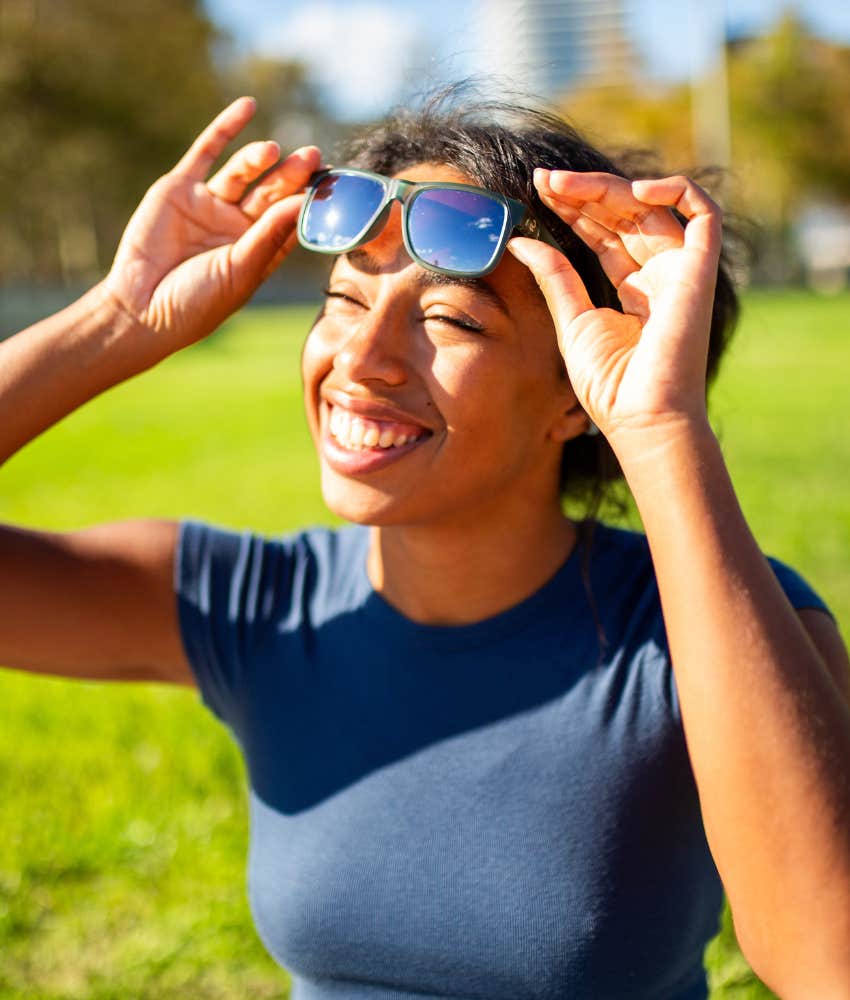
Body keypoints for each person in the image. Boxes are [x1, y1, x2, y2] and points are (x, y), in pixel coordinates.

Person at [1, 92, 849, 1000]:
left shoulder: (707, 628)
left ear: (577, 394)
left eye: (451, 320)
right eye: (343, 298)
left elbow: (827, 966)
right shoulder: (257, 607)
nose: (362, 357)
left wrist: (660, 428)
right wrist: (120, 319)